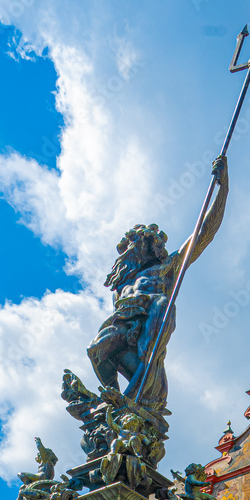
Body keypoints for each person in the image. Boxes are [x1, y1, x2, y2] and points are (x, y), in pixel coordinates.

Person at [87, 156, 229, 421]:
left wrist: (224, 188)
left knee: (148, 351)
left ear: (149, 246)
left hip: (155, 309)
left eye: (133, 244)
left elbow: (205, 232)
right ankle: (113, 398)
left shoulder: (167, 267)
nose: (127, 250)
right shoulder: (123, 283)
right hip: (127, 320)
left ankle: (130, 399)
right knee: (96, 350)